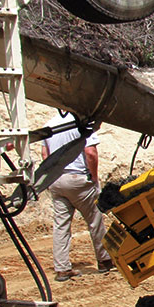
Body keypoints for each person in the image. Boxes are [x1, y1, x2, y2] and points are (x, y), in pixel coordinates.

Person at [41, 112, 114, 281]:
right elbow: (90, 153)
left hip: (56, 180)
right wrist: (94, 178)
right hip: (78, 179)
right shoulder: (81, 123)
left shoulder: (49, 124)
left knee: (61, 225)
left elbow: (45, 155)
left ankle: (62, 268)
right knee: (94, 220)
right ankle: (104, 260)